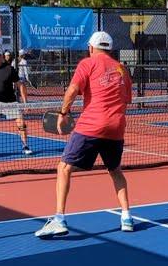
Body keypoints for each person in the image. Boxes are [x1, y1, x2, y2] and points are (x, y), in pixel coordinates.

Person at [34, 31, 134, 238]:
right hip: (117, 127)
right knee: (115, 170)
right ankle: (126, 217)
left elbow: (72, 90)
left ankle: (59, 219)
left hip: (91, 125)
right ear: (110, 48)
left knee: (64, 167)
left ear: (91, 48)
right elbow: (126, 100)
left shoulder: (87, 64)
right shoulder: (122, 69)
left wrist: (63, 113)